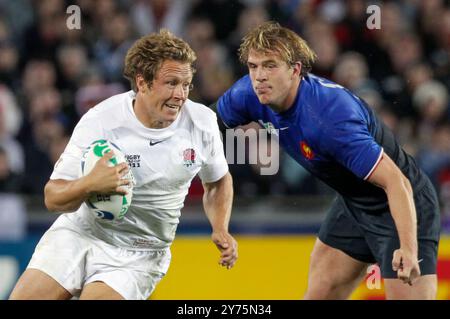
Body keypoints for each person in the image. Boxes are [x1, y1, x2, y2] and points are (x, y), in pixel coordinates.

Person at [213, 22, 440, 300]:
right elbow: (202, 127)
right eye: (253, 66)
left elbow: (397, 182)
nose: (259, 76)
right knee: (319, 294)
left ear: (295, 70)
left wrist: (408, 247)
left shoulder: (330, 118)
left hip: (402, 206)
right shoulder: (248, 92)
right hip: (355, 203)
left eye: (270, 65)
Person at [10, 30, 238, 300]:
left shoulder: (202, 123)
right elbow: (53, 196)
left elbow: (218, 181)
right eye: (171, 83)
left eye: (186, 84)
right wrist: (88, 185)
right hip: (79, 232)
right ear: (142, 83)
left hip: (140, 252)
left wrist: (220, 226)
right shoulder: (102, 120)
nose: (181, 95)